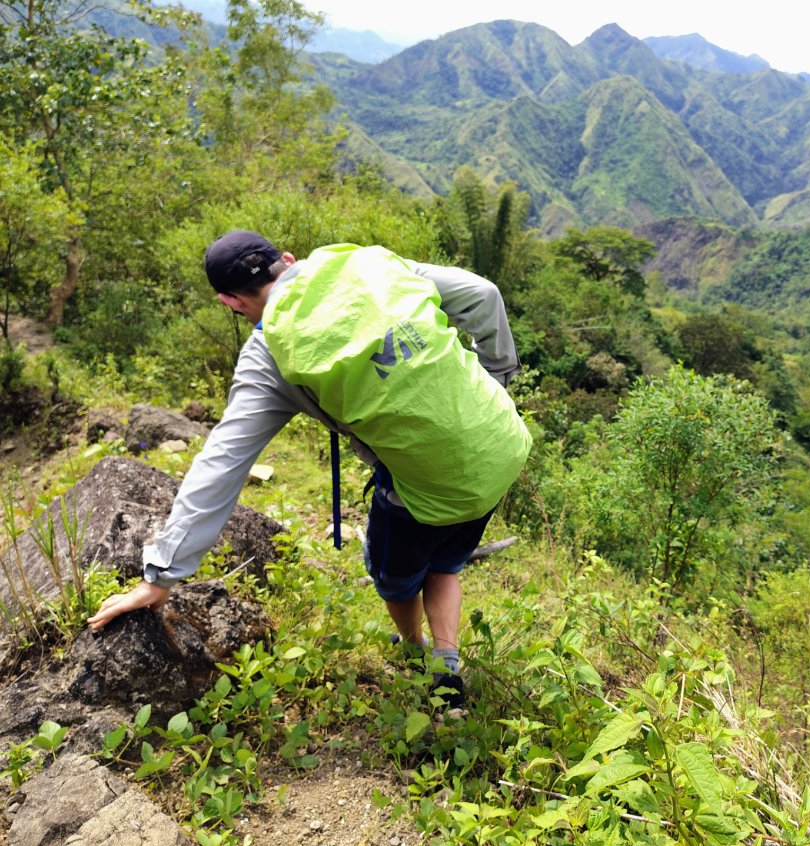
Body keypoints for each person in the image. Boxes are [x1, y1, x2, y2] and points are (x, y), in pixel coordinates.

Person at [88, 231, 532, 705]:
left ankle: (414, 648)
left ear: (231, 302)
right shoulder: (365, 263)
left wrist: (160, 579)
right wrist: (498, 377)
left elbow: (221, 464)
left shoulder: (268, 355)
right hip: (502, 444)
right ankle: (445, 663)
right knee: (444, 559)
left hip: (428, 488)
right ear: (286, 260)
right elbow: (483, 295)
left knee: (396, 577)